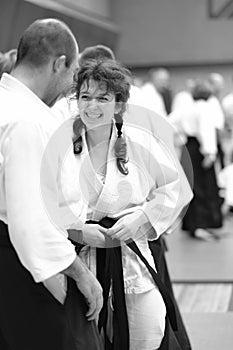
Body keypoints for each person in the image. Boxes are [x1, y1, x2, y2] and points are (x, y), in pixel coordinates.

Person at [61, 59, 193, 350]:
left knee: (149, 331)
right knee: (83, 341)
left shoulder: (138, 143)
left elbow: (176, 189)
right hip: (80, 263)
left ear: (119, 105)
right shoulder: (62, 147)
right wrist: (77, 229)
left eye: (103, 98)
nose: (92, 106)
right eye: (85, 97)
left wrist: (142, 218)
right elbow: (48, 204)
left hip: (131, 258)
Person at [0, 19, 103, 350]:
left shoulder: (10, 105)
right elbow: (31, 224)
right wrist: (79, 276)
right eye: (72, 74)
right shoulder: (25, 120)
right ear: (59, 63)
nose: (68, 88)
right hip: (27, 269)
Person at [170, 80, 223, 240]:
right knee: (203, 188)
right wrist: (210, 153)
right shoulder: (205, 108)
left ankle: (192, 224)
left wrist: (179, 140)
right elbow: (206, 131)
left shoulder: (187, 108)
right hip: (200, 150)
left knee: (191, 186)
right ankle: (200, 226)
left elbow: (170, 121)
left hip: (188, 148)